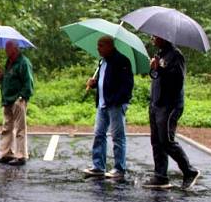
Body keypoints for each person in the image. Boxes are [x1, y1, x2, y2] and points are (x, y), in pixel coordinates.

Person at [143, 35, 201, 190]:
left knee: (166, 140)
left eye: (155, 36)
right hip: (156, 103)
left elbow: (178, 80)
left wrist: (160, 69)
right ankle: (160, 176)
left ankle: (189, 171)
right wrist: (156, 68)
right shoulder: (161, 54)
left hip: (170, 105)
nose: (152, 38)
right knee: (156, 141)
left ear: (164, 37)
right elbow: (157, 76)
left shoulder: (176, 55)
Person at [82, 36, 134, 179]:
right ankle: (98, 166)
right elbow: (103, 80)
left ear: (110, 46)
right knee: (99, 134)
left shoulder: (122, 61)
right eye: (98, 45)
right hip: (102, 104)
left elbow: (127, 85)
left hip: (115, 105)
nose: (98, 48)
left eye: (101, 45)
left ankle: (119, 168)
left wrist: (117, 100)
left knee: (117, 137)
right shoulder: (102, 62)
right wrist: (94, 83)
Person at [0, 40, 34, 166]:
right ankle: (6, 153)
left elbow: (29, 82)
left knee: (20, 128)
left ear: (15, 49)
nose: (5, 50)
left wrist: (22, 97)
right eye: (5, 48)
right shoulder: (8, 63)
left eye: (8, 48)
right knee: (7, 128)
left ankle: (21, 156)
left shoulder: (23, 62)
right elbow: (8, 80)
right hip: (7, 99)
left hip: (17, 99)